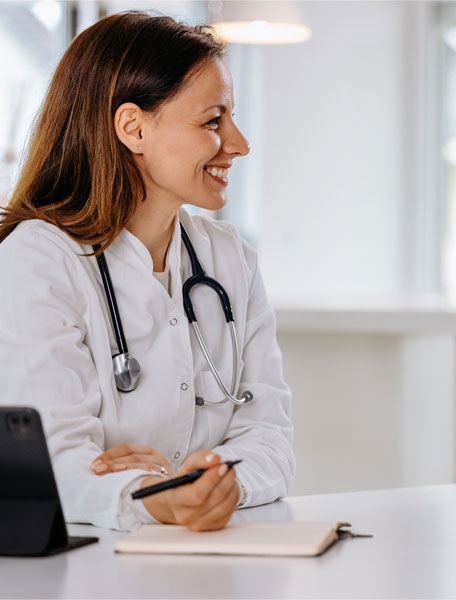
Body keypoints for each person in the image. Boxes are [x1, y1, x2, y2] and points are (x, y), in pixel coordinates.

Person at [0, 12, 294, 531]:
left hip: (210, 554)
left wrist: (194, 486)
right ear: (133, 127)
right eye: (213, 120)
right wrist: (155, 496)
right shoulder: (38, 261)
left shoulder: (231, 260)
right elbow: (47, 468)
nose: (239, 143)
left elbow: (270, 439)